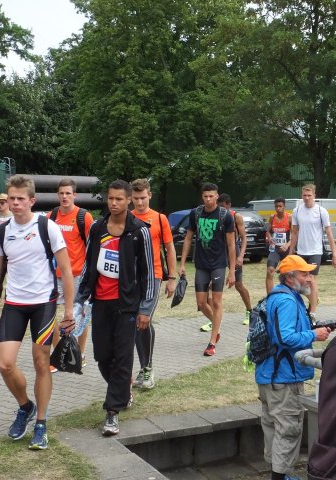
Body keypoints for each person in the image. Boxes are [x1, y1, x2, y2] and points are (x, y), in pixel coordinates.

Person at [0, 175, 75, 450]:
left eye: (20, 199)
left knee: (41, 362)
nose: (14, 203)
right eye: (11, 198)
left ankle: (41, 423)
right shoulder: (3, 231)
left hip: (43, 303)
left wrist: (68, 310)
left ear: (31, 201)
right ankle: (25, 406)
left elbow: (66, 271)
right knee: (5, 364)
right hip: (14, 304)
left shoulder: (47, 226)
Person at [75, 179, 154, 437]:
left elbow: (149, 273)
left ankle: (112, 411)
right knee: (102, 355)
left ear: (129, 200)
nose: (114, 203)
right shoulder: (98, 228)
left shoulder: (139, 231)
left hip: (127, 306)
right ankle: (122, 390)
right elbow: (88, 264)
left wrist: (146, 309)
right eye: (110, 198)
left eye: (119, 199)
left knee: (122, 357)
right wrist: (80, 298)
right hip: (101, 303)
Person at [256, 255, 330, 480]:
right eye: (304, 274)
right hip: (284, 378)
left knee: (273, 427)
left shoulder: (279, 296)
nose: (309, 278)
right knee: (288, 429)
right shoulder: (287, 301)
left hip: (269, 375)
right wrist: (314, 335)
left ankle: (278, 474)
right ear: (289, 278)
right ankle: (280, 477)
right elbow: (285, 338)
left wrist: (312, 329)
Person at [130, 178, 177, 389]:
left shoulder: (159, 218)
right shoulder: (127, 218)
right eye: (136, 198)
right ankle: (142, 368)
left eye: (143, 198)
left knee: (144, 319)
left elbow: (169, 248)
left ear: (150, 195)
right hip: (131, 279)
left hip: (154, 276)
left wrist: (172, 278)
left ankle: (148, 368)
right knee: (134, 323)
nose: (140, 202)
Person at [179, 183, 236, 357]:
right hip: (201, 264)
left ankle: (211, 343)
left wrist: (232, 271)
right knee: (201, 303)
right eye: (205, 196)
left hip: (218, 264)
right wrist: (182, 264)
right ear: (202, 197)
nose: (208, 199)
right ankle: (216, 327)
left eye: (211, 196)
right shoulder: (196, 213)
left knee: (216, 302)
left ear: (217, 196)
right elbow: (188, 239)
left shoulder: (225, 216)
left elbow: (231, 245)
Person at [46, 178, 94, 372]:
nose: (64, 197)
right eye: (61, 193)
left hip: (77, 275)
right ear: (57, 195)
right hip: (54, 275)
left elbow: (93, 247)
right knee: (48, 315)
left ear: (75, 195)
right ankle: (58, 355)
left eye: (68, 193)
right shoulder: (51, 216)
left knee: (79, 315)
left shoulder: (84, 217)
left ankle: (79, 354)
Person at [289, 184, 336, 321]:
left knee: (311, 280)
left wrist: (334, 254)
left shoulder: (321, 211)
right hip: (301, 251)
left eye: (309, 195)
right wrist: (291, 252)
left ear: (314, 196)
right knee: (299, 282)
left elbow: (329, 233)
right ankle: (314, 298)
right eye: (304, 195)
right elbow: (294, 232)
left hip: (315, 251)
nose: (306, 198)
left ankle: (312, 314)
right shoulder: (297, 210)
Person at [218, 193, 252, 326]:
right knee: (213, 286)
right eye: (219, 207)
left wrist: (241, 256)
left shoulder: (236, 216)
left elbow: (244, 238)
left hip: (234, 250)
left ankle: (250, 311)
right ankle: (213, 317)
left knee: (238, 284)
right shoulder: (216, 215)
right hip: (220, 251)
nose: (221, 209)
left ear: (229, 205)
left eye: (223, 207)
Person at [265, 197, 292, 294]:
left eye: (280, 206)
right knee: (270, 270)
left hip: (286, 249)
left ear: (284, 206)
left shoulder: (289, 218)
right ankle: (270, 296)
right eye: (276, 206)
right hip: (275, 249)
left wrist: (287, 245)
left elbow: (294, 235)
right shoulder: (272, 217)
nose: (278, 208)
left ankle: (289, 294)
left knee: (289, 273)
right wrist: (269, 237)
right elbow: (268, 231)